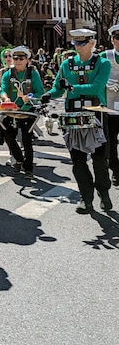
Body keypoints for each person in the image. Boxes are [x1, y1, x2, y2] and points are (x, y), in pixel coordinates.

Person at [42, 29, 112, 213]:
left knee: (99, 159)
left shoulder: (102, 63)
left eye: (82, 43)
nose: (78, 47)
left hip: (96, 114)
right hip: (72, 114)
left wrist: (72, 87)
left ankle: (103, 192)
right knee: (78, 160)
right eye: (75, 43)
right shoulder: (67, 64)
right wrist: (49, 94)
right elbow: (58, 87)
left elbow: (96, 87)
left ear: (92, 43)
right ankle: (86, 197)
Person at [0, 46, 44, 179]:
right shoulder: (8, 73)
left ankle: (28, 169)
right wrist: (5, 98)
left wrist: (29, 97)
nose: (18, 61)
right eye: (16, 58)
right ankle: (19, 159)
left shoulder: (33, 73)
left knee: (26, 139)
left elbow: (39, 91)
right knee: (7, 135)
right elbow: (2, 89)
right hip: (11, 109)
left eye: (21, 58)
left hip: (27, 110)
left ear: (27, 60)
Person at [101, 24, 119, 186]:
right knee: (111, 141)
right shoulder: (104, 56)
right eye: (117, 37)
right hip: (110, 106)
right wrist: (107, 82)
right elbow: (93, 73)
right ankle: (116, 170)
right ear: (112, 40)